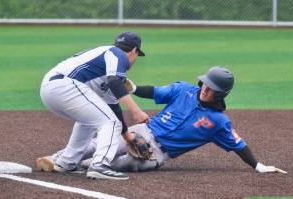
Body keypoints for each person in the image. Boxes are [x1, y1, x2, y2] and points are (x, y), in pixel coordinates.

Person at [39, 66, 287, 175]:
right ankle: (57, 159)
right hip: (142, 130)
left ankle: (81, 166)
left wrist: (258, 166)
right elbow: (156, 92)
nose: (205, 89)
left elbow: (239, 145)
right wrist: (133, 88)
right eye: (205, 84)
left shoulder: (218, 122)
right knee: (101, 143)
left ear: (221, 94)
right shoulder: (184, 90)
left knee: (118, 163)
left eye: (212, 89)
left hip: (157, 154)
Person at [36, 31, 149, 180]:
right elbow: (115, 82)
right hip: (64, 86)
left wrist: (128, 137)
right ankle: (100, 165)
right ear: (134, 50)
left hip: (52, 88)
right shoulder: (116, 54)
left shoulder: (108, 64)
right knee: (110, 123)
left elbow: (113, 107)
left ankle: (66, 162)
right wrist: (137, 112)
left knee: (93, 120)